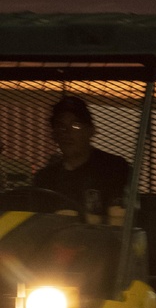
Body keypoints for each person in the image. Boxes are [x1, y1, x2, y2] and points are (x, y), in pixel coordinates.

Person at [33, 95, 130, 223]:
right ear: (54, 135)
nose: (67, 133)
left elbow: (122, 216)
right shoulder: (45, 178)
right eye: (61, 127)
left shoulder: (114, 168)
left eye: (75, 125)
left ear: (91, 131)